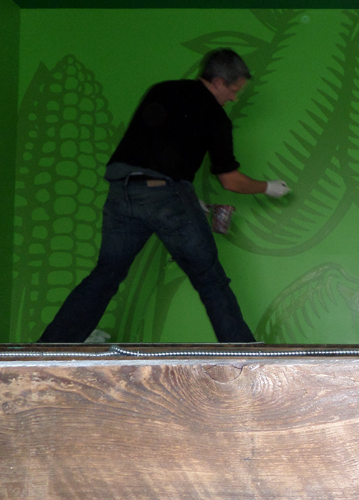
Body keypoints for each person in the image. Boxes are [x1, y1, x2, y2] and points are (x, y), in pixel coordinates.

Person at [37, 48, 288, 344]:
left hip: (122, 193)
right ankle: (243, 351)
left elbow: (155, 148)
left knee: (106, 274)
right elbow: (230, 180)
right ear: (219, 82)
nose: (233, 98)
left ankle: (54, 345)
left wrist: (186, 196)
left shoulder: (162, 90)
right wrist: (268, 187)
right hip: (167, 195)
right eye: (233, 91)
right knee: (210, 279)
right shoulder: (215, 115)